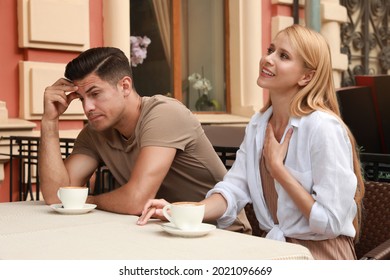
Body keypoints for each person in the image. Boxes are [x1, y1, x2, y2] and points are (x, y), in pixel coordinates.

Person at [137, 24, 365, 260]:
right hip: (275, 253)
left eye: (283, 56)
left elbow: (330, 222)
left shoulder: (323, 128)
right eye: (271, 49)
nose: (268, 59)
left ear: (306, 76)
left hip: (321, 256)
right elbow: (233, 189)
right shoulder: (259, 125)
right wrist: (179, 212)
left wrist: (278, 170)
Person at [38, 47, 250, 233]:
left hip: (218, 233)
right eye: (82, 99)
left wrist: (87, 201)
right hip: (157, 231)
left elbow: (136, 200)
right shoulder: (95, 132)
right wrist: (49, 121)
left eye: (95, 94)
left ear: (125, 86)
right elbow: (56, 196)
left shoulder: (163, 114)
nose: (87, 108)